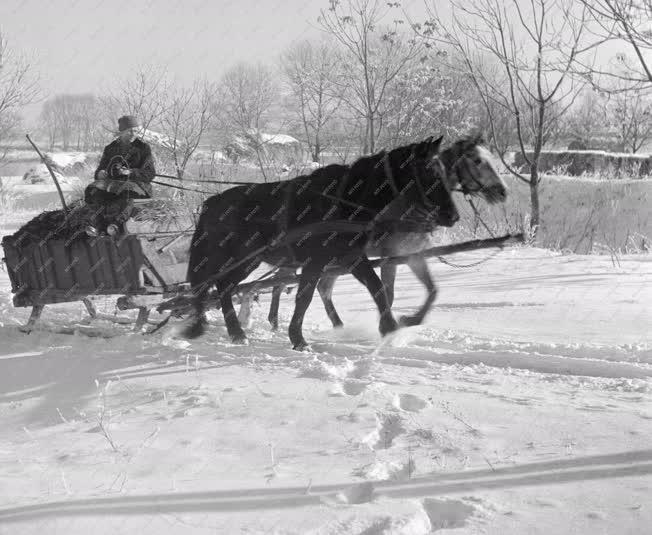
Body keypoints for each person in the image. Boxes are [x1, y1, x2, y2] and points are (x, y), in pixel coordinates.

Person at [85, 115, 156, 235]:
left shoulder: (143, 148)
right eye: (130, 131)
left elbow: (150, 173)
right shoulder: (110, 148)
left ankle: (115, 225)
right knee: (94, 191)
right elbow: (101, 168)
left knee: (126, 194)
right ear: (122, 131)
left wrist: (131, 172)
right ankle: (97, 226)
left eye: (136, 130)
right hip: (113, 186)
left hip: (138, 187)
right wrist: (100, 173)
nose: (133, 133)